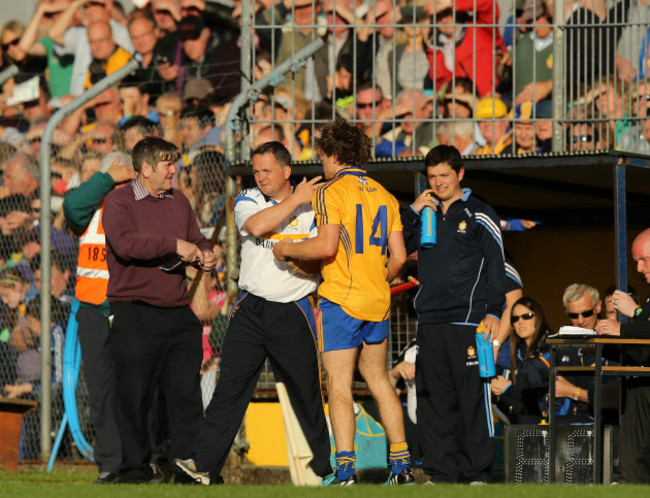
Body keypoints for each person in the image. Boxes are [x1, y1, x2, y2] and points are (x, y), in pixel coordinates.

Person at [174, 141, 331, 485]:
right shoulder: (249, 198)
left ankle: (327, 468)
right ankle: (204, 466)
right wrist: (294, 201)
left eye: (267, 170)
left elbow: (317, 258)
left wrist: (296, 242)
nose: (260, 177)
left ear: (287, 171)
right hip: (251, 308)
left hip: (293, 309)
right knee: (230, 388)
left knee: (306, 392)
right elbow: (257, 227)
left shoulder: (315, 207)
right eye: (257, 170)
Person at [273, 118, 413, 486]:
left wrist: (287, 248)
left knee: (338, 384)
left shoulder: (329, 192)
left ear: (333, 154)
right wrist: (378, 279)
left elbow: (326, 246)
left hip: (341, 299)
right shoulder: (385, 194)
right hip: (377, 300)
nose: (322, 164)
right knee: (380, 381)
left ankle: (346, 471)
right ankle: (402, 468)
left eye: (322, 156)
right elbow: (399, 257)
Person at [101, 136, 217, 483]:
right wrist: (173, 245)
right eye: (167, 163)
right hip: (134, 311)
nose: (174, 169)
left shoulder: (179, 201)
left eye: (174, 162)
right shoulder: (119, 201)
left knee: (185, 394)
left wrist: (206, 253)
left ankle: (186, 466)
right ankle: (134, 470)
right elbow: (125, 244)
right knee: (135, 396)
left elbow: (196, 239)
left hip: (178, 313)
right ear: (146, 168)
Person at [401, 144, 505, 484]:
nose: (439, 182)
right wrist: (413, 212)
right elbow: (397, 248)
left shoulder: (478, 212)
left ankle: (477, 474)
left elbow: (495, 265)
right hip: (429, 322)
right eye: (432, 176)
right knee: (433, 402)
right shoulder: (423, 214)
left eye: (445, 175)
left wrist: (493, 311)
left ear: (460, 174)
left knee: (472, 399)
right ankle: (440, 473)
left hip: (468, 321)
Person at [62, 151, 136, 484]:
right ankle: (109, 464)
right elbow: (71, 206)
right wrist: (106, 178)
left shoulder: (137, 203)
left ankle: (139, 460)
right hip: (93, 310)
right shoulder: (89, 209)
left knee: (135, 388)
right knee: (101, 391)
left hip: (128, 308)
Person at [596, 228, 650, 482]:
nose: (639, 268)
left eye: (644, 260)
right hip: (639, 389)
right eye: (636, 260)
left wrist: (626, 323)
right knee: (632, 467)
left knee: (636, 467)